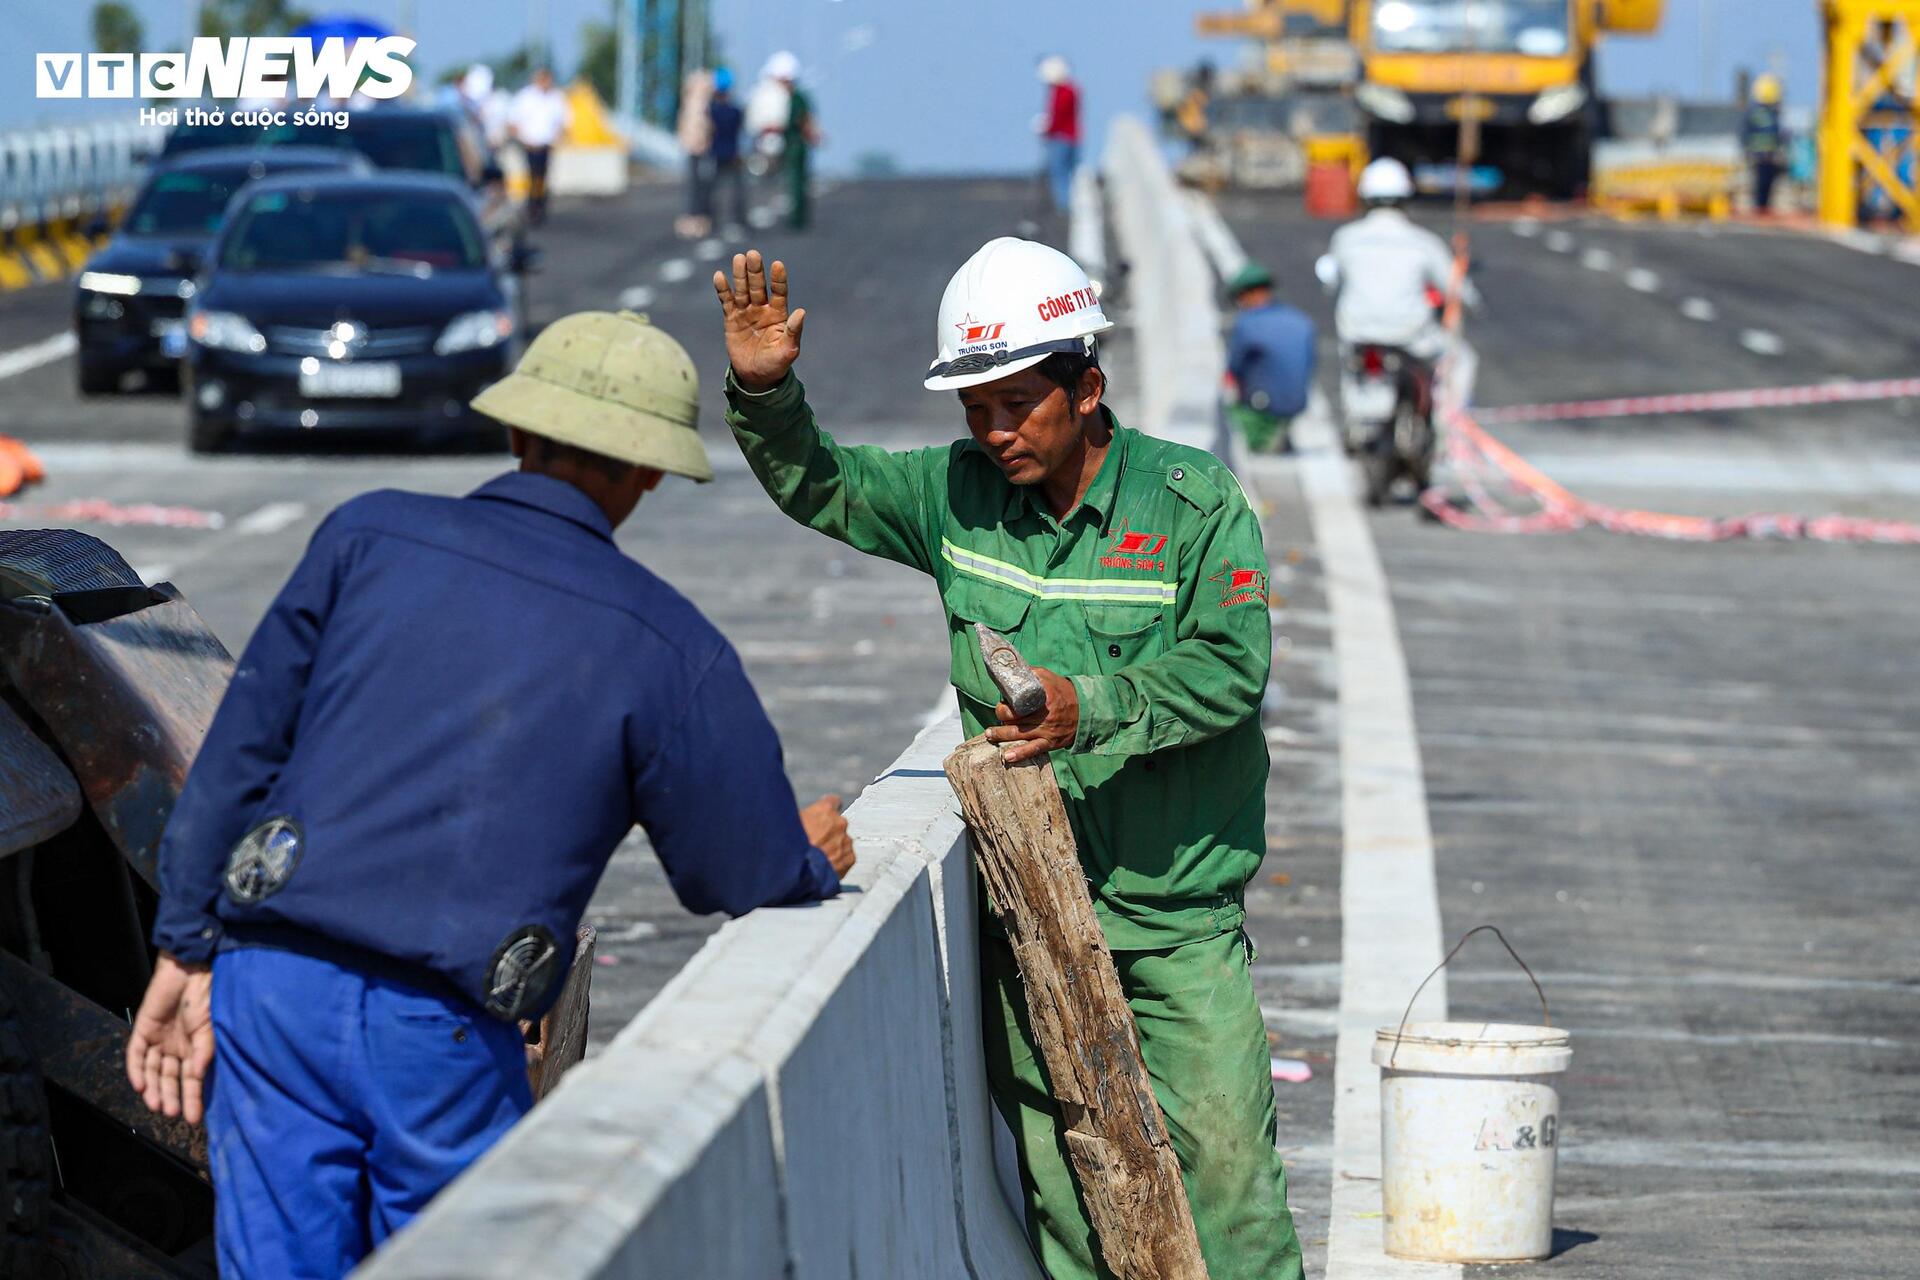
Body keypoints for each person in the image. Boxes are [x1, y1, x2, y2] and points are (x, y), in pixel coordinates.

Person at [126, 311, 855, 1279]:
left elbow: (238, 754)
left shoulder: (366, 535)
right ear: (647, 474)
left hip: (275, 984)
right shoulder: (670, 645)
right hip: (438, 1028)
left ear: (518, 433)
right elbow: (734, 868)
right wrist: (808, 857)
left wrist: (185, 943)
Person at [713, 243, 1305, 1280]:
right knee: (1074, 1195)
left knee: (1230, 1186)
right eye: (975, 406)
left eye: (1018, 404)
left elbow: (1233, 666)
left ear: (1086, 390)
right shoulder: (954, 493)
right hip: (1026, 911)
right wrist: (766, 394)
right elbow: (824, 484)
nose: (993, 430)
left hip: (1174, 919)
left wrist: (1096, 705)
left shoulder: (1191, 502)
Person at [1321, 157, 1475, 363]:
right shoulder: (1423, 241)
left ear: (1365, 196)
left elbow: (1331, 281)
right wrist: (1473, 301)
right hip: (1410, 335)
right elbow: (1455, 288)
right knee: (1463, 360)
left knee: (1353, 376)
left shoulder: (1345, 238)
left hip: (1356, 333)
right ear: (1405, 197)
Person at [1224, 261, 1316, 454]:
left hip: (1264, 402)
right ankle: (1280, 430)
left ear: (1248, 294)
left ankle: (1262, 437)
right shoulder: (1300, 320)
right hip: (1298, 401)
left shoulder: (1248, 324)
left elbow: (1235, 368)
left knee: (1229, 409)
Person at [509, 66, 572, 226]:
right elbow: (514, 121)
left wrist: (558, 138)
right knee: (533, 176)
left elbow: (564, 121)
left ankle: (539, 205)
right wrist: (522, 139)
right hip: (530, 145)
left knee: (542, 177)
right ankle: (533, 205)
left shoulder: (556, 97)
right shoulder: (525, 97)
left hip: (546, 145)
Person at [765, 51, 818, 231]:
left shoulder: (795, 98)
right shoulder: (788, 98)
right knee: (795, 181)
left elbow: (803, 120)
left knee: (797, 181)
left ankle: (797, 219)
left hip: (795, 145)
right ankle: (797, 217)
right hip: (790, 144)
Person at [675, 68, 716, 240]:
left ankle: (697, 217)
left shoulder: (692, 104)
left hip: (697, 148)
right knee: (697, 186)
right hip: (697, 148)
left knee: (697, 186)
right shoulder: (698, 105)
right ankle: (696, 218)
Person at [1038, 55, 1082, 214]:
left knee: (1060, 171)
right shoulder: (1073, 89)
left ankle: (1065, 206)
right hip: (1073, 137)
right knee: (1070, 171)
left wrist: (1046, 129)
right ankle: (1072, 202)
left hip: (1061, 137)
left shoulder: (1061, 92)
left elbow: (1058, 115)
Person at [708, 67, 748, 236]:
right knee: (735, 189)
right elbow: (740, 130)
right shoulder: (735, 111)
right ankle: (737, 220)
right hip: (732, 153)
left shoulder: (711, 111)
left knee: (714, 189)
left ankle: (713, 220)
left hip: (715, 153)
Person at [1744, 73, 1788, 215]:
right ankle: (1759, 209)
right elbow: (1746, 133)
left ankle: (1763, 209)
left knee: (1767, 184)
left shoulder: (1772, 114)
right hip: (1759, 156)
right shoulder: (1757, 112)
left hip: (1770, 156)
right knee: (1760, 185)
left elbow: (1777, 135)